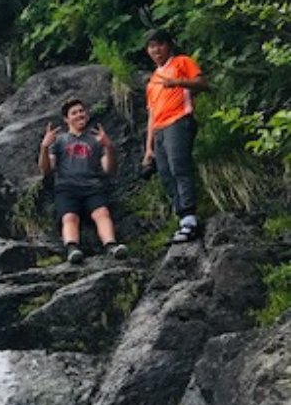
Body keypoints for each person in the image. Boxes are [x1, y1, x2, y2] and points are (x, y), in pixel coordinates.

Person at [39, 98, 127, 264]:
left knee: (102, 213)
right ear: (66, 119)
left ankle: (111, 245)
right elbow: (46, 169)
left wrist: (109, 147)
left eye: (81, 111)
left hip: (92, 187)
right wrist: (44, 147)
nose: (80, 114)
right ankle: (72, 248)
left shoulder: (96, 139)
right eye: (74, 113)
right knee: (69, 217)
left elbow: (109, 170)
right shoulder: (59, 140)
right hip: (67, 188)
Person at [142, 28, 208, 242]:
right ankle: (183, 219)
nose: (156, 49)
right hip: (159, 128)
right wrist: (148, 149)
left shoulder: (181, 62)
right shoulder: (152, 80)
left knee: (179, 166)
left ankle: (190, 218)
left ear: (169, 45)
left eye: (160, 44)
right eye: (152, 46)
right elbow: (151, 115)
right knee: (165, 173)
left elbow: (202, 83)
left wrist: (178, 83)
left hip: (179, 120)